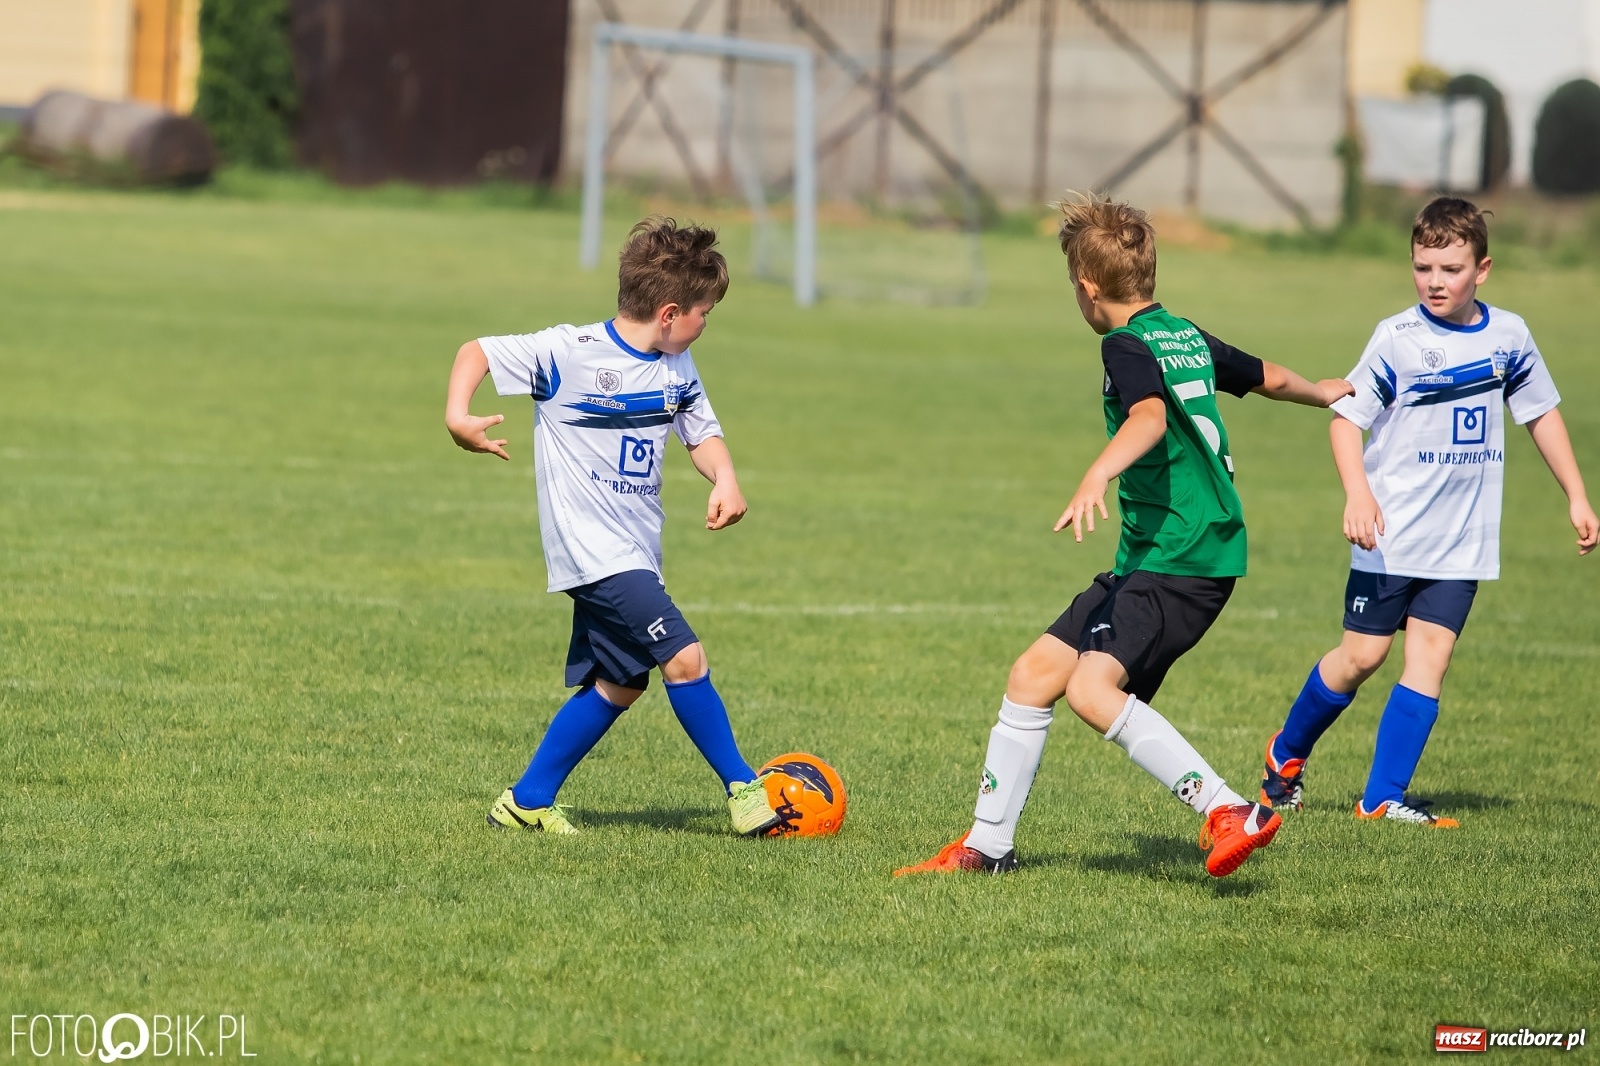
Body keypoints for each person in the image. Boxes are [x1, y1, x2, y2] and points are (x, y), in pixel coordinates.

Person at [896, 193, 1353, 879]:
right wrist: (1321, 392)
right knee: (1032, 676)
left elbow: (1145, 419)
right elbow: (1267, 377)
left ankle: (1229, 809)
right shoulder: (1183, 332)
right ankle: (986, 847)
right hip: (1160, 554)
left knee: (1090, 690)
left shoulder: (1125, 346)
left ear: (1085, 288)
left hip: (1183, 555)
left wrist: (1096, 477)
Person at [1259, 197, 1597, 827]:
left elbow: (1541, 413)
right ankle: (1285, 755)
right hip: (1390, 535)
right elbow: (1344, 422)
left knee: (1430, 659)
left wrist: (1576, 494)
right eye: (1423, 268)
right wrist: (1358, 494)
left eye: (1451, 269)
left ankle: (1382, 798)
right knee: (1362, 658)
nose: (1436, 282)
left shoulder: (1510, 336)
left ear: (1483, 269)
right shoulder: (1398, 339)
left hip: (1462, 540)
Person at [444, 217, 780, 837]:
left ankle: (526, 800)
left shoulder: (677, 366)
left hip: (636, 551)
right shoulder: (567, 353)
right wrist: (458, 415)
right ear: (672, 312)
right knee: (684, 656)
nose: (707, 325)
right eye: (706, 313)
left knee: (622, 682)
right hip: (592, 552)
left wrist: (725, 479)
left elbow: (701, 432)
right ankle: (745, 789)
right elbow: (478, 351)